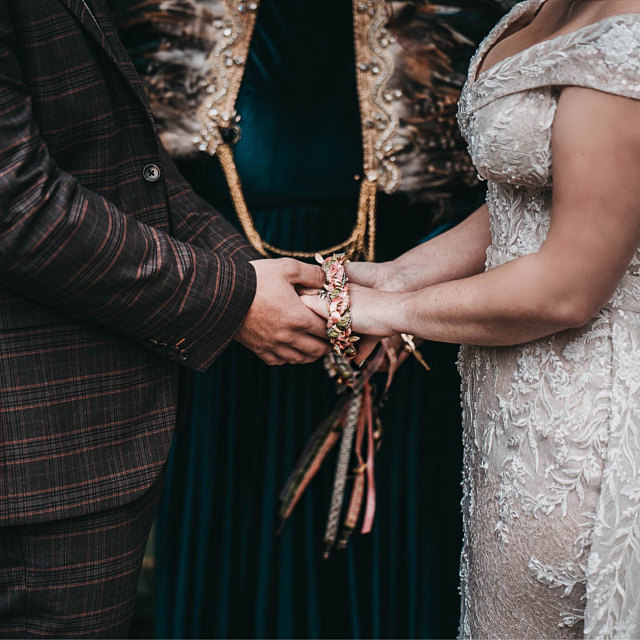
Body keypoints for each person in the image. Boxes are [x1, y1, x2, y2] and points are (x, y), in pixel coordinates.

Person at [108, 0, 512, 637]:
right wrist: (220, 292)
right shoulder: (157, 19)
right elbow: (135, 177)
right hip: (225, 337)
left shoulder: (461, 16)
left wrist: (417, 301)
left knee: (392, 545)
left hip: (407, 335)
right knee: (234, 545)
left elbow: (499, 182)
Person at [302, 0, 640, 637]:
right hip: (510, 409)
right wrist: (403, 273)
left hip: (590, 421)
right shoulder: (541, 7)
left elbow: (568, 288)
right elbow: (536, 187)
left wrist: (390, 310)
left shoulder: (629, 36)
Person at [0, 1, 329, 637]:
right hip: (34, 459)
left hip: (76, 445)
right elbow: (17, 205)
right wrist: (232, 299)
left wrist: (251, 270)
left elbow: (125, 164)